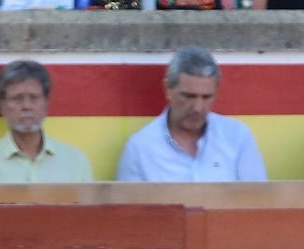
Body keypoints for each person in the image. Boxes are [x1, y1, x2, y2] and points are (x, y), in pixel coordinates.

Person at [115, 47, 268, 184]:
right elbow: (130, 214)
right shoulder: (140, 149)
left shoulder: (238, 137)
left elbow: (259, 205)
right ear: (167, 89)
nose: (197, 108)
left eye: (207, 97)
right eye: (189, 96)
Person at [0, 61, 94, 184]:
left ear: (46, 103)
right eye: (17, 99)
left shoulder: (75, 161)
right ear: (1, 106)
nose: (26, 106)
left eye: (34, 98)